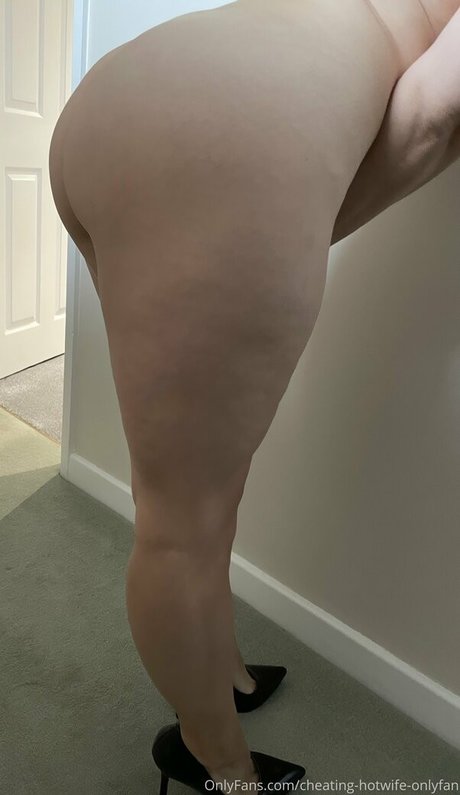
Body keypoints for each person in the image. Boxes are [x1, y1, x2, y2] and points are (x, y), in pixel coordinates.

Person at [49, 1, 460, 791]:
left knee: (184, 491)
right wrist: (292, 217)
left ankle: (224, 670)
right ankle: (219, 763)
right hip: (223, 133)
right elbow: (433, 116)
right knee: (180, 526)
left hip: (118, 99)